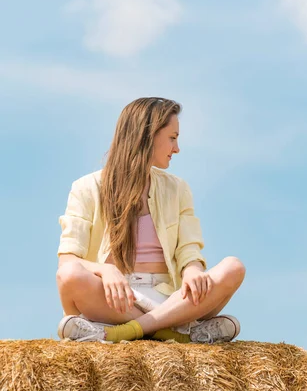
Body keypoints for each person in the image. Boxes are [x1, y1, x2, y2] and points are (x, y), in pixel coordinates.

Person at [56, 97, 246, 344]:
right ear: (148, 136)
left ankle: (127, 331)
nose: (177, 148)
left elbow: (190, 250)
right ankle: (173, 331)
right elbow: (67, 261)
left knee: (233, 267)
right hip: (116, 299)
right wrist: (106, 269)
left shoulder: (178, 188)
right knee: (70, 275)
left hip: (172, 300)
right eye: (172, 137)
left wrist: (192, 270)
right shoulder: (86, 187)